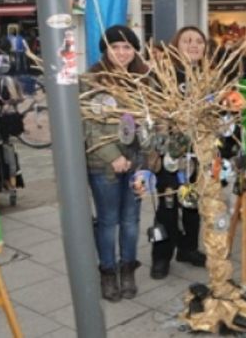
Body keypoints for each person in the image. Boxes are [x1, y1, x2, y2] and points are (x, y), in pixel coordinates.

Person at [84, 25, 149, 302]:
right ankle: (108, 272)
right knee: (109, 220)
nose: (122, 53)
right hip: (104, 164)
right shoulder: (92, 81)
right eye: (115, 47)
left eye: (127, 47)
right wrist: (114, 156)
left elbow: (152, 122)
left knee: (132, 220)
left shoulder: (144, 80)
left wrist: (144, 158)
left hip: (136, 162)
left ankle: (128, 268)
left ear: (135, 50)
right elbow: (90, 125)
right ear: (105, 50)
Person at [150, 27, 209, 279]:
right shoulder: (166, 75)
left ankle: (188, 248)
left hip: (199, 153)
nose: (194, 45)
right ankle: (161, 255)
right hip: (172, 153)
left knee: (193, 204)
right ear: (176, 45)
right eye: (187, 40)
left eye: (198, 41)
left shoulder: (207, 76)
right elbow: (156, 114)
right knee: (168, 205)